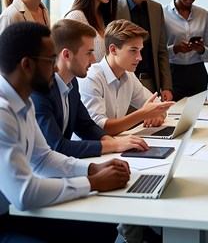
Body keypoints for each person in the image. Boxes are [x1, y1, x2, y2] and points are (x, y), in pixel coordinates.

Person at [0, 22, 131, 242]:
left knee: (102, 228)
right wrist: (94, 182)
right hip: (5, 221)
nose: (55, 67)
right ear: (27, 65)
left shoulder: (23, 102)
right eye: (50, 60)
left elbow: (43, 158)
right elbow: (24, 193)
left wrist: (93, 168)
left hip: (15, 212)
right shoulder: (3, 112)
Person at [32, 19, 149, 158]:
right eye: (88, 53)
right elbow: (57, 146)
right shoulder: (39, 90)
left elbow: (86, 126)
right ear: (67, 55)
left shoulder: (72, 83)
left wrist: (111, 142)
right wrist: (114, 145)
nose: (93, 60)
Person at [78, 19, 175, 136]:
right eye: (133, 51)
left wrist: (158, 115)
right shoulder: (92, 77)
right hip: (89, 150)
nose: (139, 57)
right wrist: (143, 114)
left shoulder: (128, 75)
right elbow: (98, 128)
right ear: (113, 50)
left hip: (115, 144)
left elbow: (159, 106)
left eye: (140, 51)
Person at [117, 0, 173, 101]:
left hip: (151, 84)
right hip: (122, 84)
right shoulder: (115, 10)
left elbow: (162, 51)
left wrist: (166, 86)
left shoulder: (156, 9)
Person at [163, 0, 208, 101]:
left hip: (197, 74)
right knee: (172, 116)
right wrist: (175, 49)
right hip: (172, 74)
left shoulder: (203, 14)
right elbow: (158, 52)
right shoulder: (162, 13)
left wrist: (202, 49)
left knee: (199, 117)